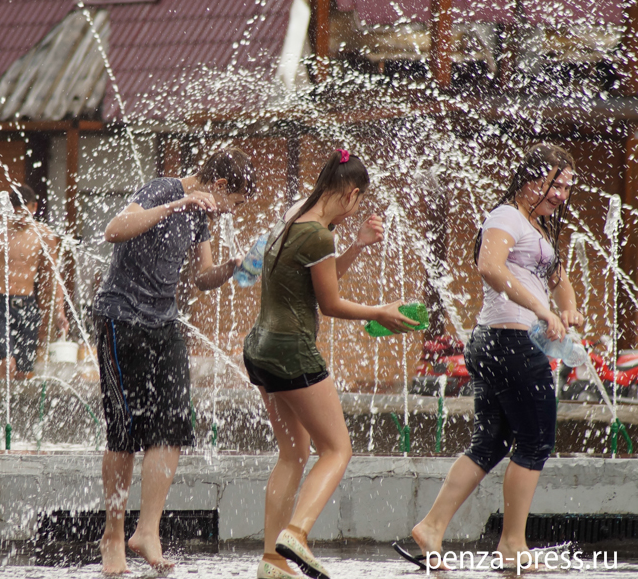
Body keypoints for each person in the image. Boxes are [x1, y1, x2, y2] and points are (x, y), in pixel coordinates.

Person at [395, 144, 582, 571]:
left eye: (569, 188)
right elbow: (489, 266)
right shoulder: (505, 217)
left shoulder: (539, 227)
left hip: (498, 344)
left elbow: (560, 280)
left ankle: (431, 527)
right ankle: (513, 544)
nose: (563, 196)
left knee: (491, 443)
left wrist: (565, 307)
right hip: (508, 342)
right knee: (535, 441)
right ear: (534, 179)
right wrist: (540, 309)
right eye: (558, 186)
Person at [244, 149, 415, 579]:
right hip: (291, 351)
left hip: (260, 349)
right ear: (352, 195)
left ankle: (272, 560)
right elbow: (331, 302)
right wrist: (380, 312)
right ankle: (296, 534)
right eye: (359, 201)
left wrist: (356, 243)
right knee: (337, 449)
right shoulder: (320, 235)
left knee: (293, 452)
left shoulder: (293, 218)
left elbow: (321, 276)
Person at [94, 147, 255, 575]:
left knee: (172, 425)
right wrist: (177, 203)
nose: (227, 213)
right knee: (124, 432)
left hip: (163, 323)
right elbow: (115, 229)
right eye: (231, 203)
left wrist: (231, 267)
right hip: (121, 318)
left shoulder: (203, 216)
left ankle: (147, 530)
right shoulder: (165, 189)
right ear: (219, 186)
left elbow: (202, 278)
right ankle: (112, 535)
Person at [0, 185, 68, 380]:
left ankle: (15, 409)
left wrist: (59, 312)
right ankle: (2, 408)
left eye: (25, 214)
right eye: (16, 214)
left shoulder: (44, 235)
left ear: (34, 207)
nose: (21, 220)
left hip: (27, 304)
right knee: (6, 364)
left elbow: (53, 277)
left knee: (23, 373)